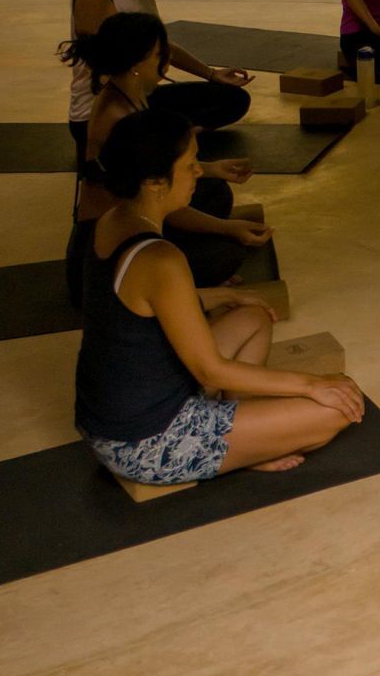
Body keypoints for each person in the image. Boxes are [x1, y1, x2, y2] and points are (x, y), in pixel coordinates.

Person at [75, 110, 363, 489]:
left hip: (113, 416)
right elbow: (210, 371)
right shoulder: (161, 259)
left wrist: (223, 295)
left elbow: (134, 306)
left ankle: (244, 435)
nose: (198, 172)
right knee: (336, 408)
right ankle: (245, 449)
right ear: (157, 183)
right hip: (145, 442)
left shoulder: (114, 220)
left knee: (253, 315)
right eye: (191, 165)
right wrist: (311, 384)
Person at [65, 12, 267, 305]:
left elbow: (159, 186)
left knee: (214, 191)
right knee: (226, 255)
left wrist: (212, 169)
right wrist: (229, 228)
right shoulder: (116, 117)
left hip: (137, 219)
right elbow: (158, 202)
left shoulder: (130, 93)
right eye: (160, 54)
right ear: (136, 63)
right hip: (103, 261)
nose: (168, 60)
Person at [67, 0, 251, 161]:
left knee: (233, 99)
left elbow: (160, 42)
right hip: (105, 107)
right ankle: (167, 140)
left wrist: (211, 74)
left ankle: (174, 137)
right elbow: (107, 68)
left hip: (143, 94)